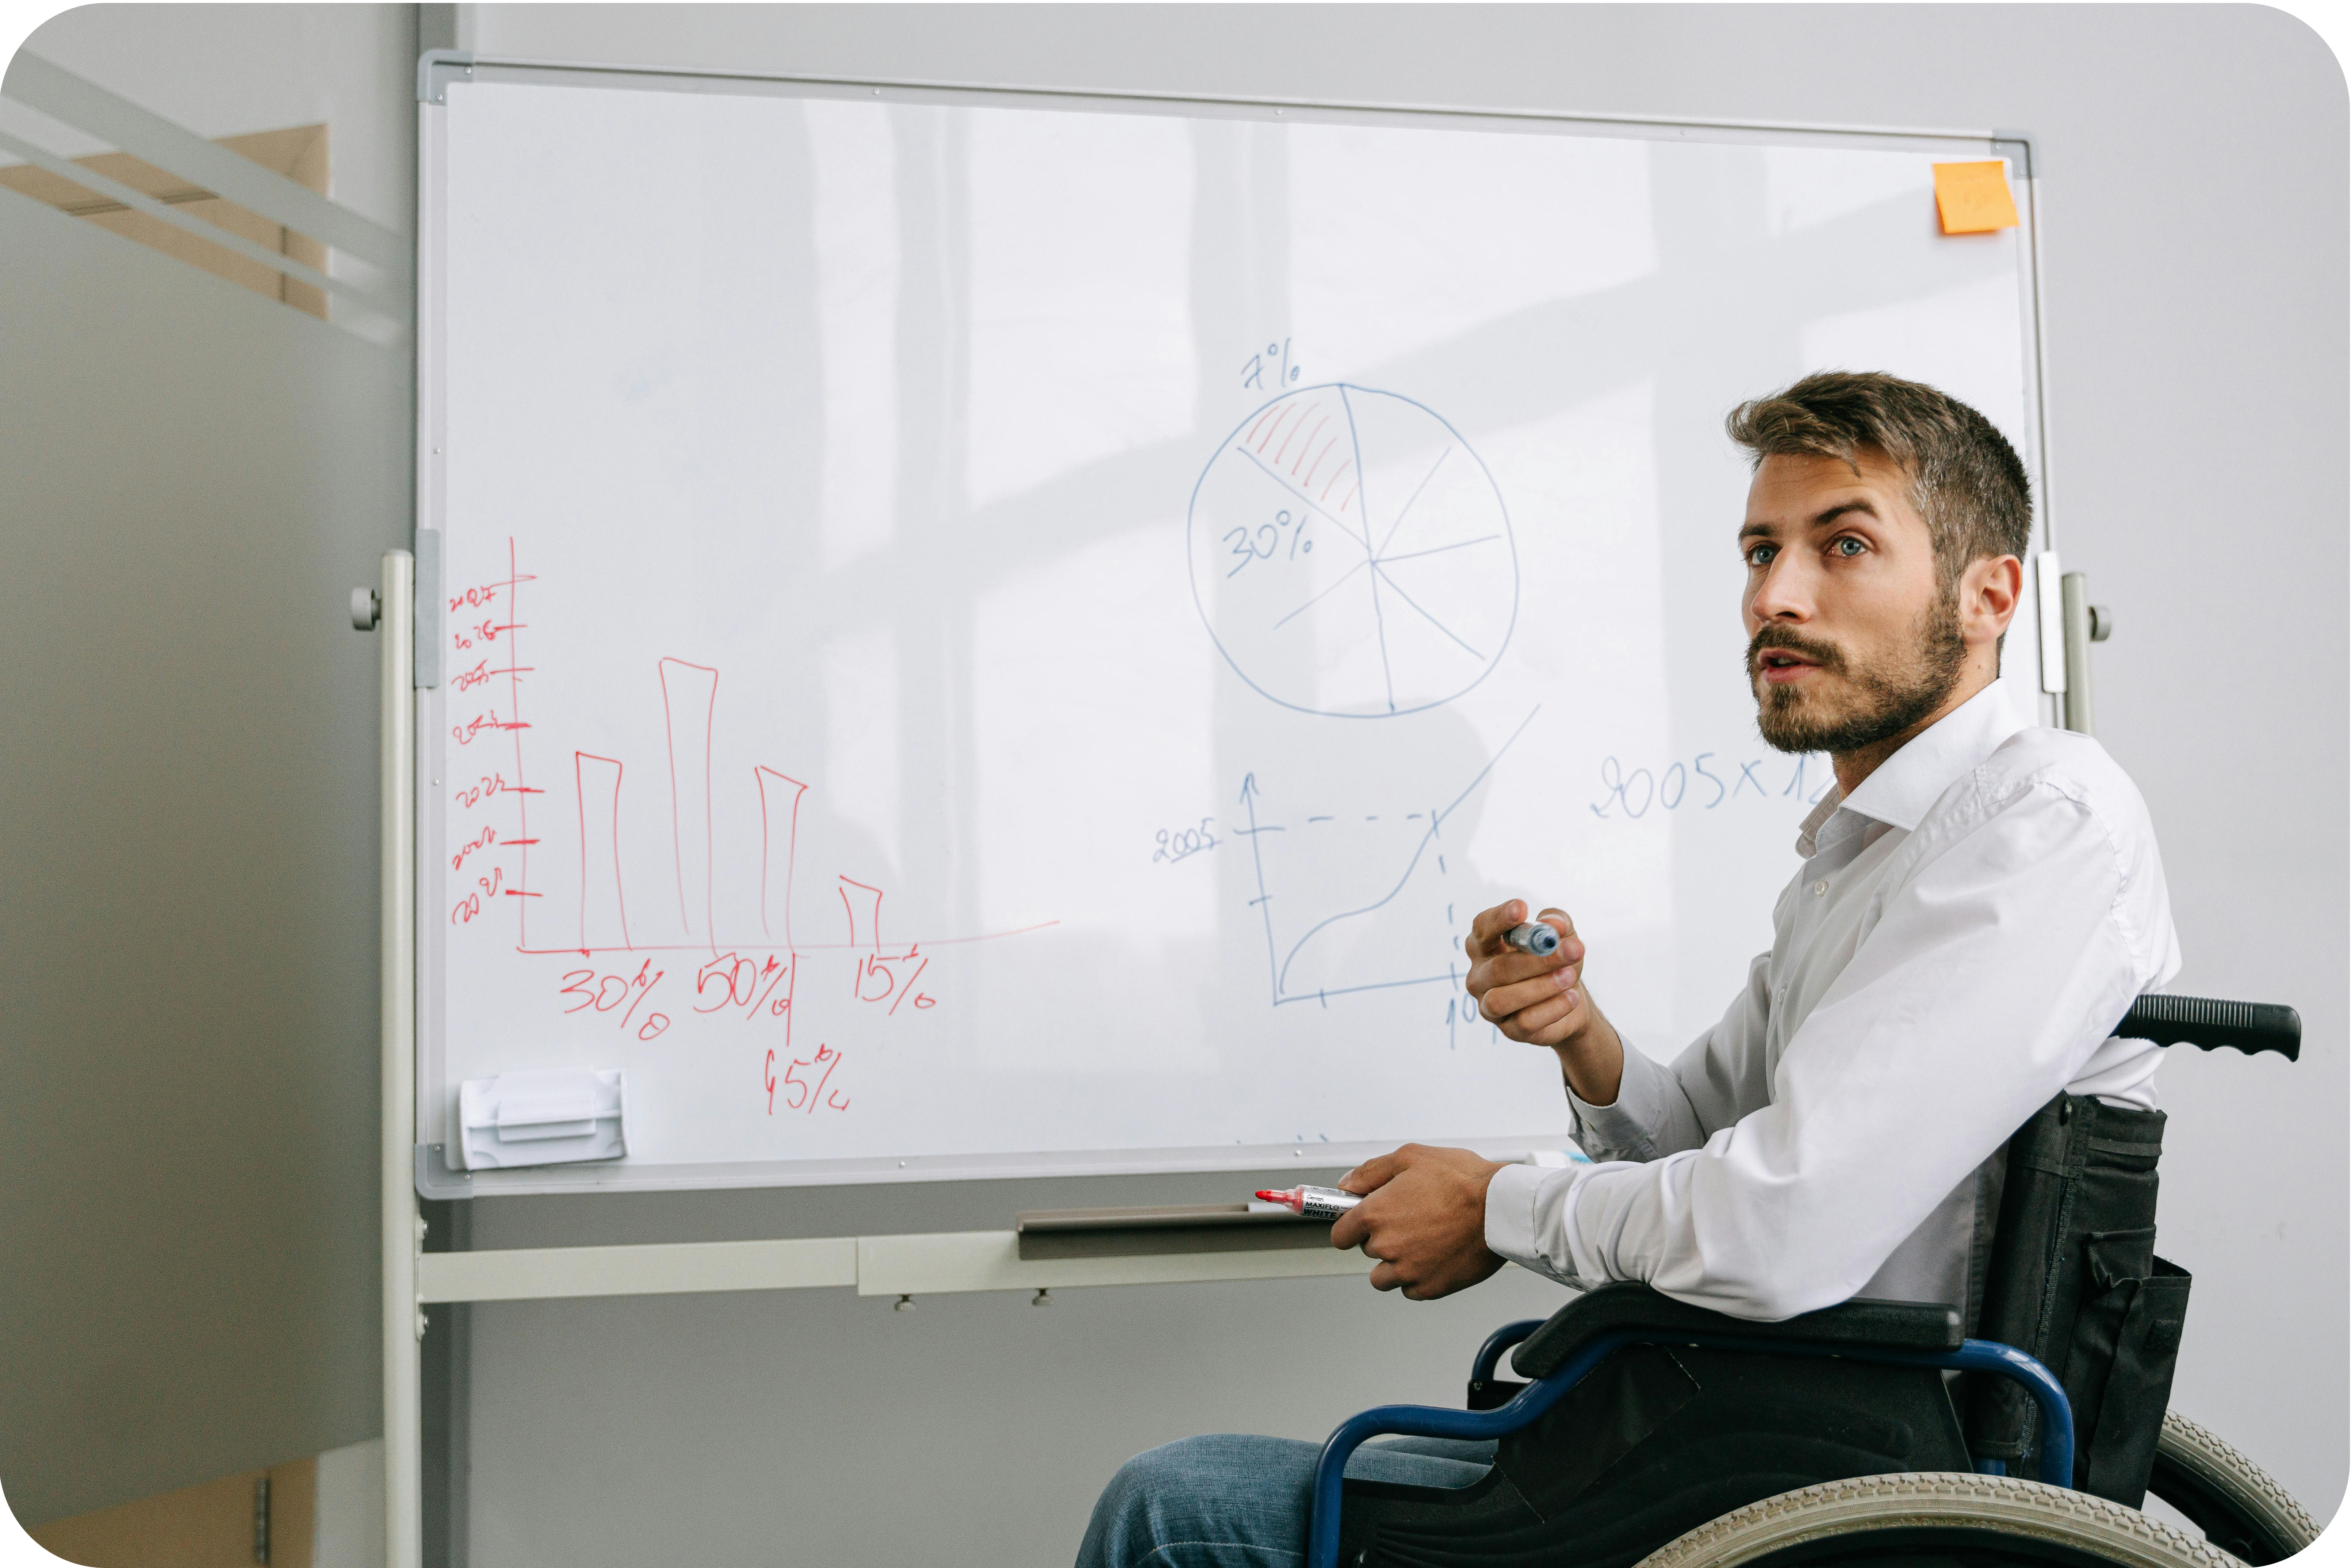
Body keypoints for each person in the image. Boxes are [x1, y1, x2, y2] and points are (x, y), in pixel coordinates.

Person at [1076, 370, 2180, 1568]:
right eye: (1760, 552)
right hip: (1756, 1420)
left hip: (1857, 1469)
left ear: (1989, 595)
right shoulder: (1858, 858)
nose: (1777, 595)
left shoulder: (2040, 822)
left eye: (1844, 544)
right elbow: (1699, 1133)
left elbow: (1779, 1228)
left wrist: (1495, 1207)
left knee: (1174, 1508)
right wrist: (1582, 1039)